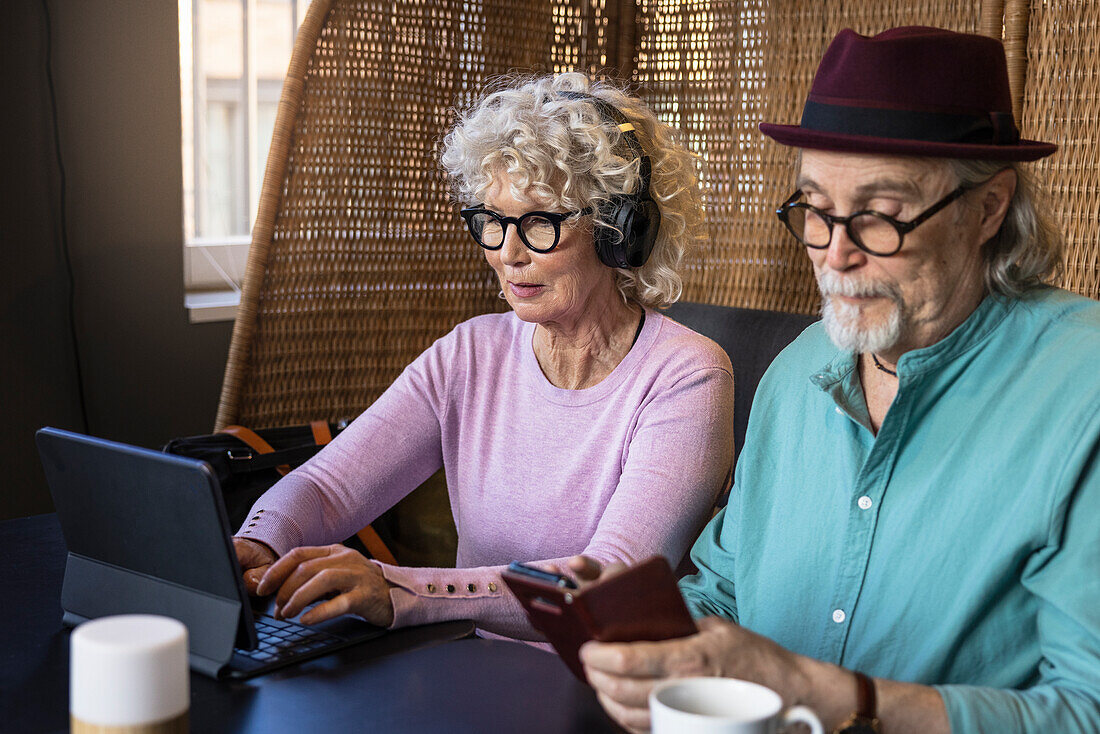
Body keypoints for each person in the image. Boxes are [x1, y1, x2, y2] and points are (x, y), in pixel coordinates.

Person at [575, 27, 1100, 733]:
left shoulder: (1082, 388)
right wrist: (654, 659)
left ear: (988, 208)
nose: (835, 253)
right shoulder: (795, 373)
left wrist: (833, 697)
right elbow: (723, 593)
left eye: (880, 217)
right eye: (816, 210)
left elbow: (1085, 710)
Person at [230, 72, 735, 642]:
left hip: (610, 685)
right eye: (492, 222)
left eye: (539, 222)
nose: (507, 253)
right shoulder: (471, 352)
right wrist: (259, 541)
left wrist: (400, 590)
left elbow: (607, 582)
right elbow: (329, 487)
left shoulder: (689, 374)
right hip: (473, 670)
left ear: (617, 232)